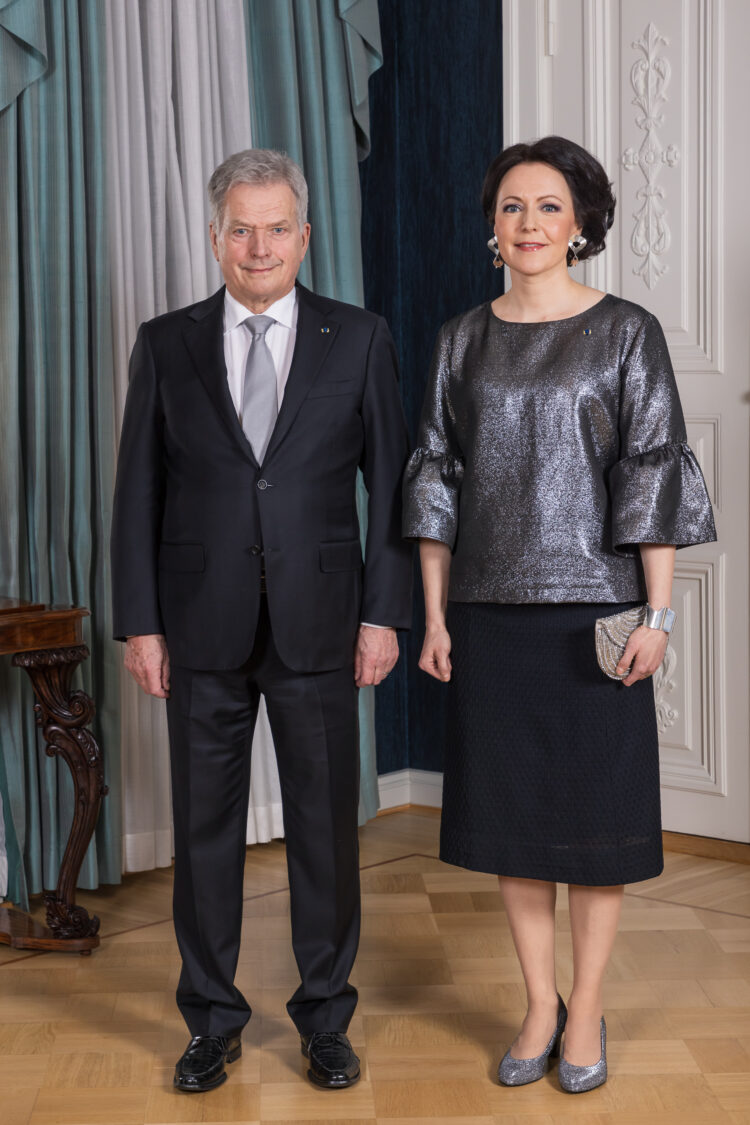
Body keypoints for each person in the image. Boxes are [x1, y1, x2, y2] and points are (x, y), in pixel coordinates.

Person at [403, 135, 716, 1094]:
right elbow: (435, 482)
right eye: (511, 207)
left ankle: (586, 1004)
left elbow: (652, 473)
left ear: (579, 224)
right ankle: (537, 1000)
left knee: (592, 822)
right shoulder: (461, 337)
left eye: (547, 206)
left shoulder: (628, 330)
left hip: (596, 618)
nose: (528, 223)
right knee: (513, 824)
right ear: (491, 227)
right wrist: (434, 617)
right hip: (488, 615)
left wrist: (658, 613)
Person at [111, 149, 412, 1093]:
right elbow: (136, 496)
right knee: (205, 836)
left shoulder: (358, 338)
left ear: (305, 236)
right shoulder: (166, 344)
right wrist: (142, 626)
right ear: (215, 237)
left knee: (324, 831)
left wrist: (384, 615)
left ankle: (326, 1017)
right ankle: (211, 1019)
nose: (259, 245)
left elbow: (394, 488)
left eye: (277, 227)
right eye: (240, 228)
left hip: (324, 622)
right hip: (197, 626)